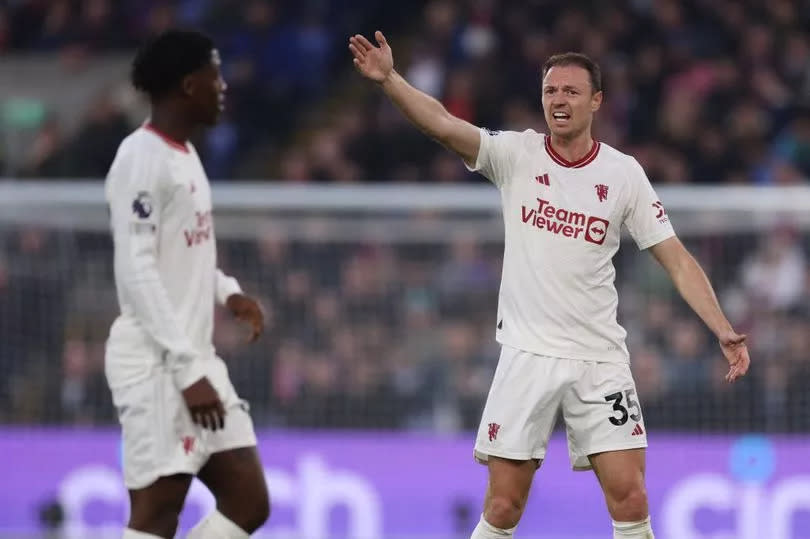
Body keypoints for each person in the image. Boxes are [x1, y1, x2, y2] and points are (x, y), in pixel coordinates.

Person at [349, 31, 750, 539]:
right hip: (527, 353)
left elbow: (675, 259)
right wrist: (389, 80)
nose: (558, 101)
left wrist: (722, 328)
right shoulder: (517, 154)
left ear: (596, 101)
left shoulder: (623, 174)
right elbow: (444, 126)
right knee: (503, 505)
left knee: (631, 496)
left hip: (600, 358)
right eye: (551, 92)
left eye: (571, 92)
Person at [105, 30, 270, 539]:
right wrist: (182, 368)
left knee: (248, 501)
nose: (222, 86)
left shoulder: (186, 156)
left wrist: (227, 292)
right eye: (215, 74)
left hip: (193, 359)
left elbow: (182, 251)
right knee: (157, 514)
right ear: (188, 84)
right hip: (158, 363)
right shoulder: (141, 157)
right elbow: (137, 269)